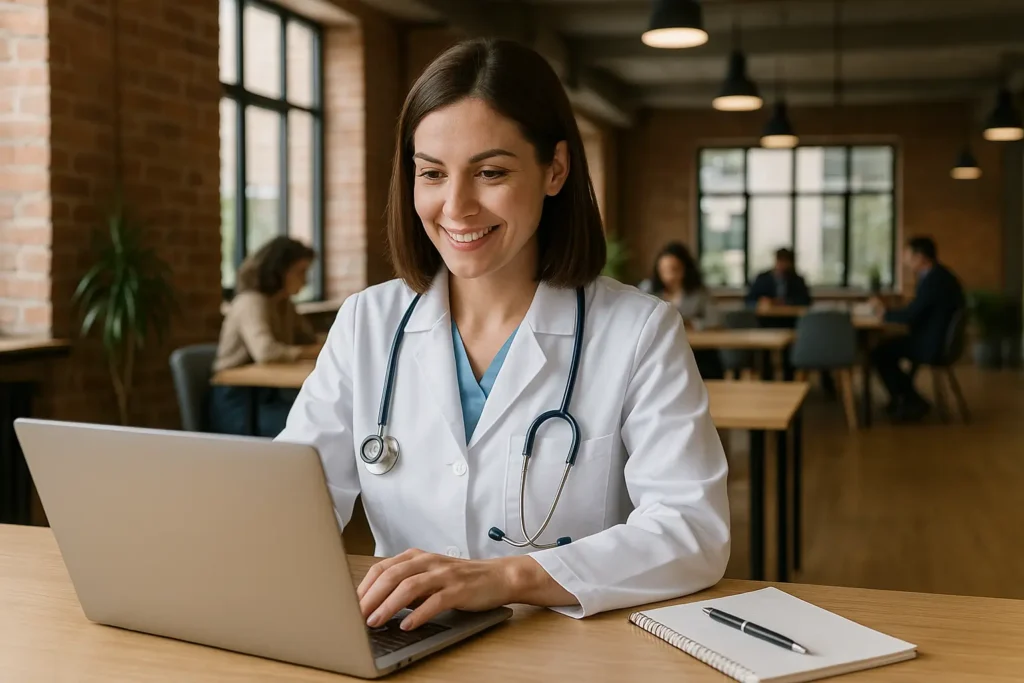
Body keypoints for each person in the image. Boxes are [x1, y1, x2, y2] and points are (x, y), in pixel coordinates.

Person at [275, 38, 730, 630]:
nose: (456, 206)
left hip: (567, 650)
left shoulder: (639, 331)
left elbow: (693, 529)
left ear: (555, 169)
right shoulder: (368, 322)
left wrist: (509, 577)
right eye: (431, 173)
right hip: (403, 640)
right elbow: (291, 502)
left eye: (490, 172)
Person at [209, 236, 322, 437]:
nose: (306, 281)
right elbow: (266, 352)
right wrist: (315, 350)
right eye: (300, 272)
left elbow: (309, 340)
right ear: (279, 270)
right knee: (311, 428)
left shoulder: (283, 303)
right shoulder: (250, 302)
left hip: (269, 396)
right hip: (240, 403)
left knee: (323, 420)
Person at [869, 237, 964, 421]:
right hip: (935, 339)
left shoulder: (935, 280)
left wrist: (883, 313)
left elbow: (911, 315)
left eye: (908, 256)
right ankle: (904, 398)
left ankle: (911, 401)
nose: (905, 261)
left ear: (920, 257)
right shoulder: (937, 276)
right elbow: (916, 311)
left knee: (880, 353)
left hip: (933, 344)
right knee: (886, 348)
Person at [638, 241, 724, 378]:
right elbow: (638, 318)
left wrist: (692, 324)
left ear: (685, 269)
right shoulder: (648, 289)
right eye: (663, 271)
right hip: (659, 352)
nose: (669, 276)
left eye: (674, 269)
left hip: (697, 352)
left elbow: (715, 320)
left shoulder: (698, 292)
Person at [744, 247, 812, 308]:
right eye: (780, 261)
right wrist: (760, 302)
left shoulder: (797, 281)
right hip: (766, 316)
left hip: (791, 316)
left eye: (785, 261)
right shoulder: (762, 279)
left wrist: (786, 302)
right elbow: (749, 301)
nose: (782, 265)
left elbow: (806, 302)